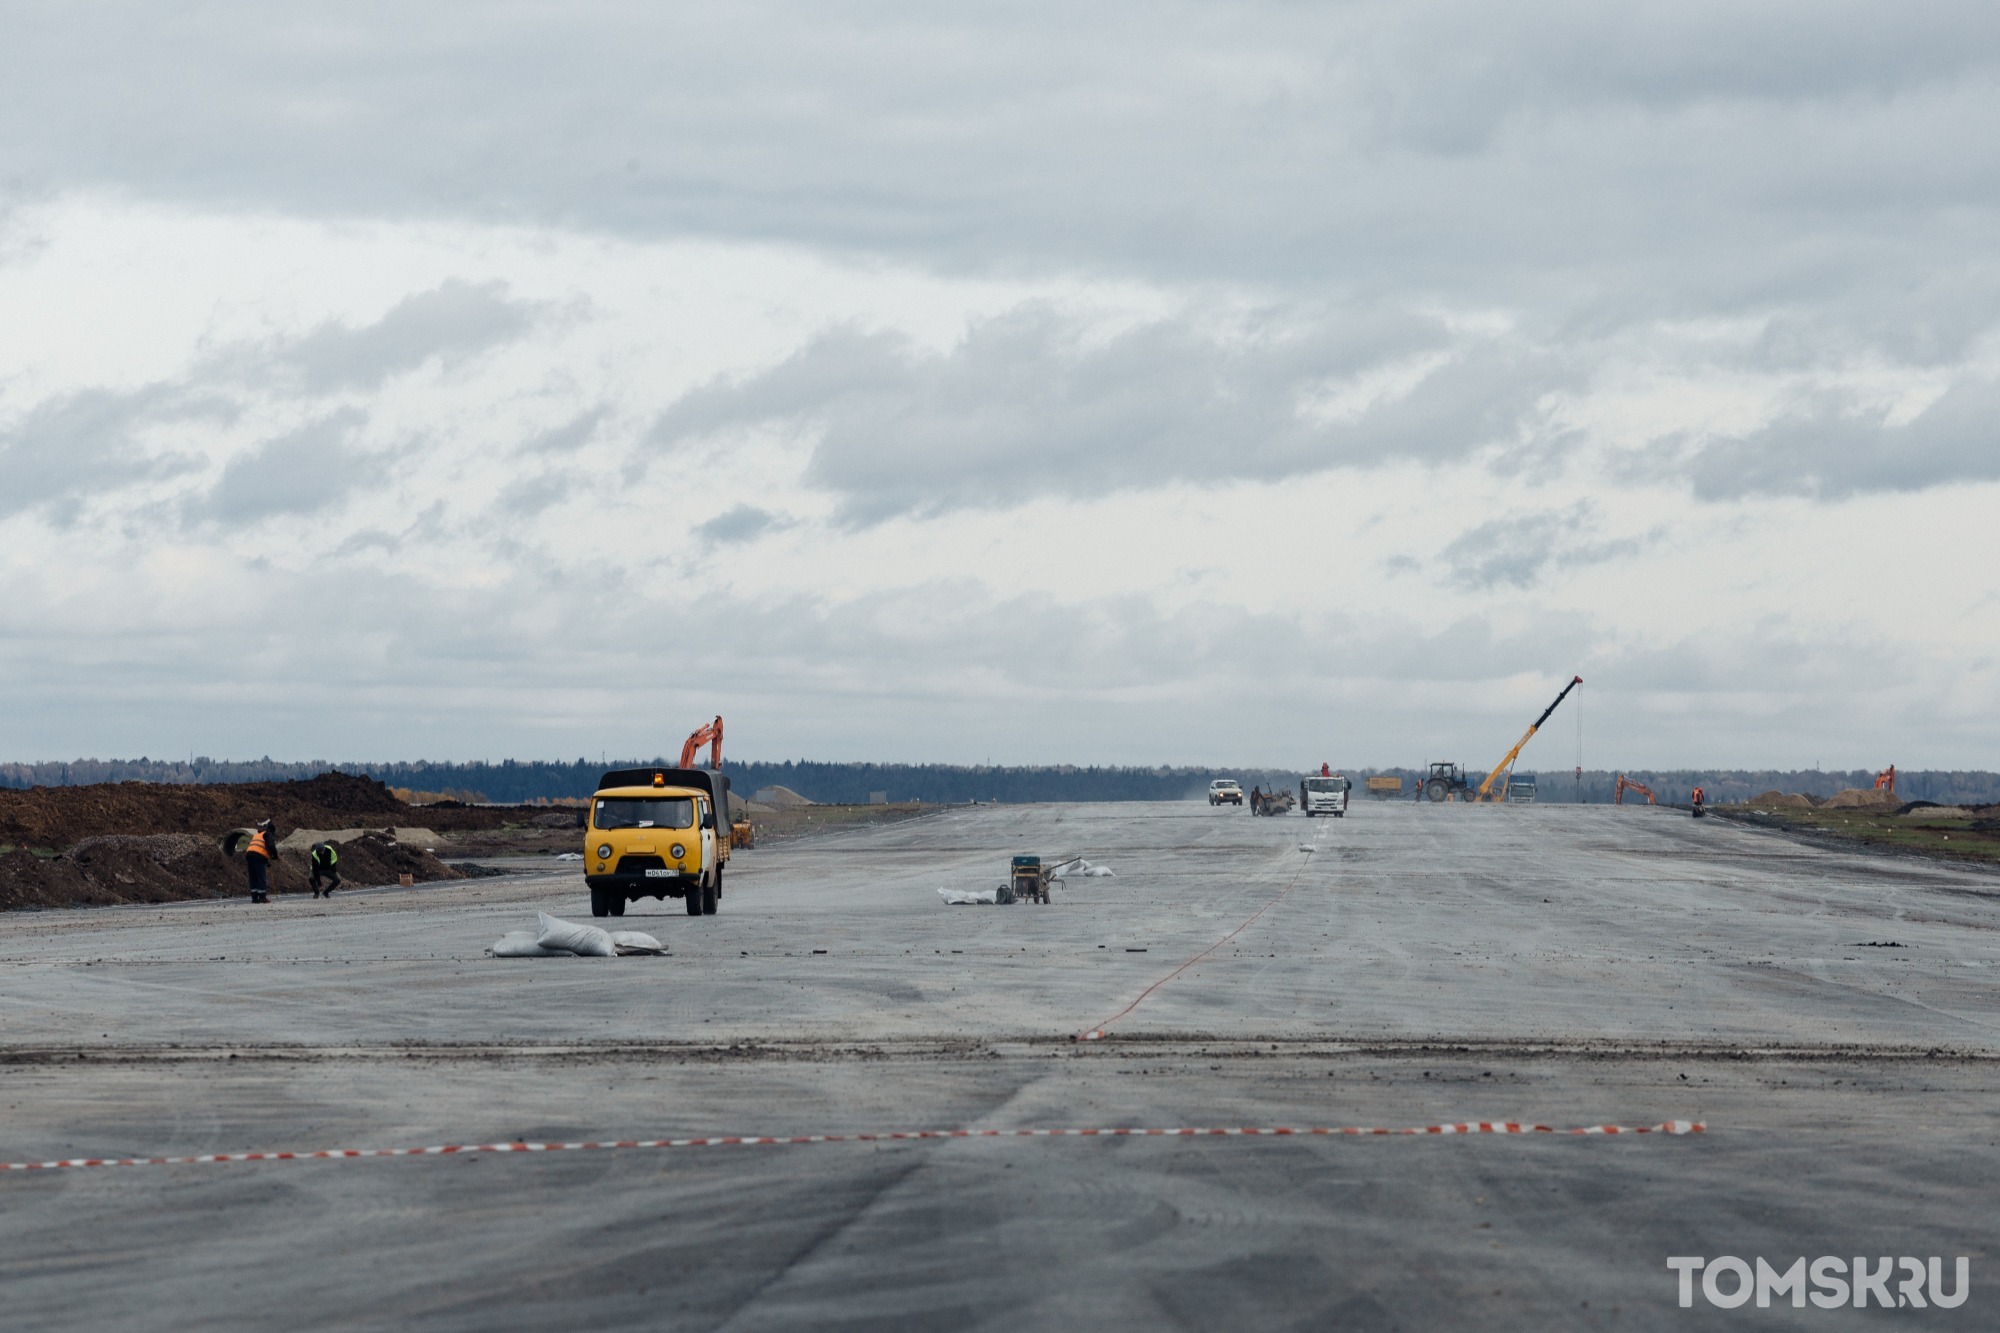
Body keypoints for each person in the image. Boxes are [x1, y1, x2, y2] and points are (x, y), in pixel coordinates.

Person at [242, 820, 277, 904]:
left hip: (249, 855)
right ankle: (262, 897)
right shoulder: (268, 834)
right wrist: (275, 855)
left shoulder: (257, 835)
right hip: (258, 856)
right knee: (261, 877)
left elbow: (260, 848)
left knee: (253, 877)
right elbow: (271, 846)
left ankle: (254, 898)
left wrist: (266, 862)